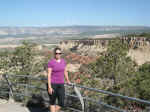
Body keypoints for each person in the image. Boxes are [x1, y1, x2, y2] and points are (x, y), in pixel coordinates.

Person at [47, 47, 70, 112]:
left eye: (59, 53)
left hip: (61, 84)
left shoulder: (63, 61)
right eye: (56, 53)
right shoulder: (51, 62)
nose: (58, 54)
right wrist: (49, 87)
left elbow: (65, 71)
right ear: (54, 54)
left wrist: (68, 80)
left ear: (61, 54)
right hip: (53, 84)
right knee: (52, 102)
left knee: (61, 102)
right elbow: (48, 75)